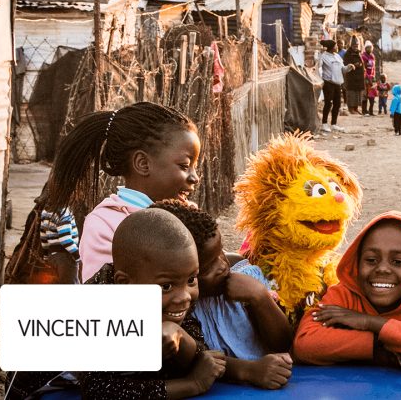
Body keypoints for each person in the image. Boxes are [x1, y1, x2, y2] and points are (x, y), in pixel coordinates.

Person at [77, 209, 226, 399]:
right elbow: (100, 391)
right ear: (124, 283)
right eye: (166, 286)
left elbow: (200, 356)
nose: (184, 297)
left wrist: (179, 334)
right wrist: (192, 385)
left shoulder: (174, 294)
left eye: (191, 280)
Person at [46, 101, 201, 282]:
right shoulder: (104, 224)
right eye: (185, 166)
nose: (195, 177)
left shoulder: (189, 214)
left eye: (194, 167)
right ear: (142, 164)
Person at [150, 200, 294, 390]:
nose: (223, 265)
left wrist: (260, 298)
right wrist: (249, 370)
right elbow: (197, 359)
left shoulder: (242, 275)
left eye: (222, 252)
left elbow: (282, 344)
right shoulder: (178, 305)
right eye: (208, 266)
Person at [293, 211, 401, 375]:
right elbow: (305, 343)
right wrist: (380, 350)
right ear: (356, 263)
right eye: (371, 260)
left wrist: (371, 323)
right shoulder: (343, 297)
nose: (382, 269)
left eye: (398, 262)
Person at [319, 39, 354, 133]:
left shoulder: (337, 56)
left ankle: (334, 124)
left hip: (338, 84)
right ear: (331, 47)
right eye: (335, 45)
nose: (337, 47)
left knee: (337, 104)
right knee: (328, 103)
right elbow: (318, 67)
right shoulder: (323, 57)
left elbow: (342, 69)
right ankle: (324, 124)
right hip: (328, 83)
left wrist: (349, 67)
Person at [343, 35, 365, 115]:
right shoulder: (347, 54)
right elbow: (345, 65)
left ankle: (356, 108)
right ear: (351, 45)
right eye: (354, 45)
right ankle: (351, 108)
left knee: (358, 93)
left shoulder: (358, 53)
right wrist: (354, 65)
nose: (356, 47)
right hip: (351, 77)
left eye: (357, 45)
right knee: (351, 93)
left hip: (358, 77)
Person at [361, 40, 376, 116]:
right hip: (365, 77)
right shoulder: (363, 56)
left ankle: (371, 111)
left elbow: (373, 67)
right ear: (365, 48)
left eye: (370, 47)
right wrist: (368, 78)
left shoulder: (372, 56)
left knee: (371, 94)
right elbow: (364, 68)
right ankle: (364, 110)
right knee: (365, 94)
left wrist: (373, 77)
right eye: (367, 48)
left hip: (371, 77)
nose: (369, 49)